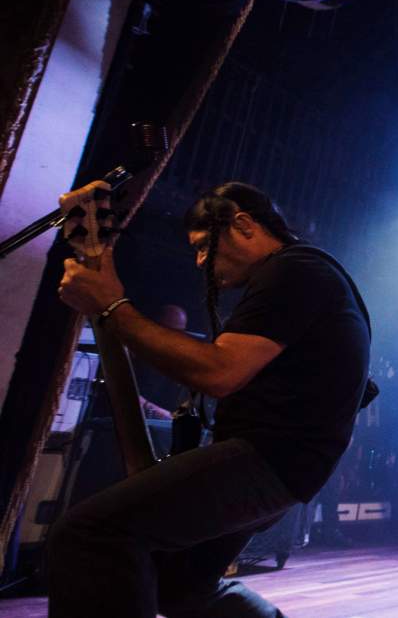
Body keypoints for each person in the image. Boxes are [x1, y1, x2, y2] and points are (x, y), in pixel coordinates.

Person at [52, 182, 371, 617]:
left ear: (242, 224)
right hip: (283, 468)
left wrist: (112, 307)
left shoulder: (295, 271)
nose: (201, 263)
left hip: (266, 461)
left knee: (90, 534)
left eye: (205, 247)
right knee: (179, 586)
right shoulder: (297, 275)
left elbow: (219, 371)